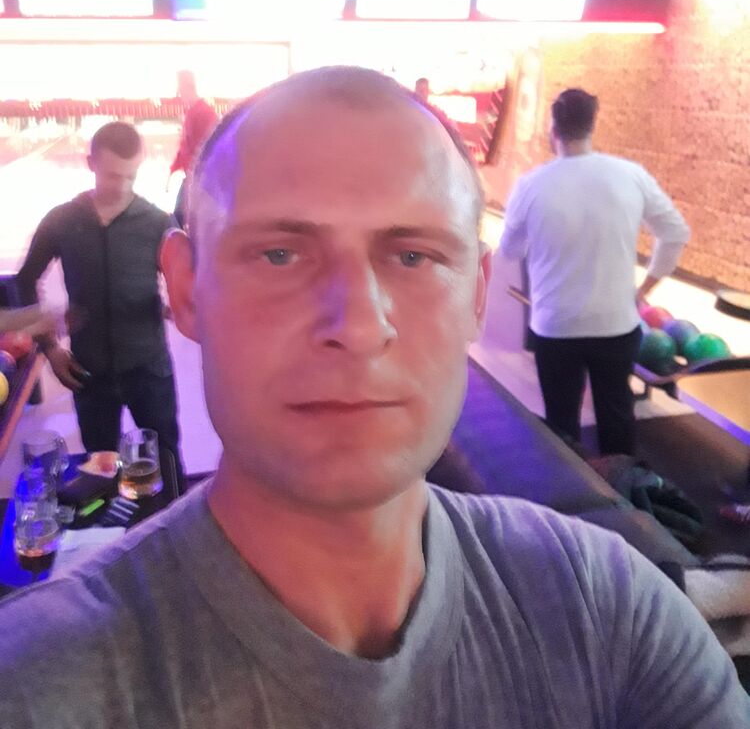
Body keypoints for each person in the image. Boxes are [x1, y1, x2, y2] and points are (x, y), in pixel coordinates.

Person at [0, 69, 746, 728]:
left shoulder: (612, 609)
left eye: (414, 256)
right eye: (279, 254)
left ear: (476, 295)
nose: (359, 326)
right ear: (187, 290)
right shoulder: (36, 685)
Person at [500, 87, 690, 456]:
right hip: (616, 324)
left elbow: (510, 249)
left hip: (555, 325)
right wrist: (644, 290)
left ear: (553, 127)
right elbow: (675, 233)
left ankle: (571, 484)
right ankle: (623, 486)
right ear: (592, 125)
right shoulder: (630, 174)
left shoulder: (531, 184)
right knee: (617, 415)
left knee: (561, 424)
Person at [15, 121, 185, 490]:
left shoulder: (156, 222)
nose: (122, 186)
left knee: (167, 461)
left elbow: (188, 280)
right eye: (112, 175)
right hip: (88, 372)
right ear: (90, 163)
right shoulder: (62, 220)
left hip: (149, 369)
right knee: (101, 469)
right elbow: (26, 281)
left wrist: (180, 306)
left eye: (131, 176)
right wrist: (51, 349)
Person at [168, 69, 217, 228]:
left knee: (180, 221)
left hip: (199, 182)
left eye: (180, 89)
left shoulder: (203, 113)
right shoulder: (194, 112)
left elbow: (207, 151)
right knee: (180, 220)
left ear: (186, 87)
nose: (179, 94)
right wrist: (173, 170)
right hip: (194, 180)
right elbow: (186, 147)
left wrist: (193, 177)